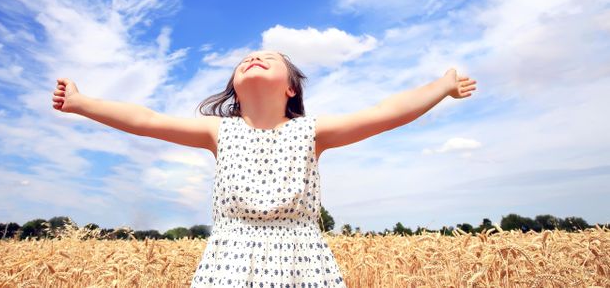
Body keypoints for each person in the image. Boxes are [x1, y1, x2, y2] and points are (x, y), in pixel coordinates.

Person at [52, 49, 477, 287]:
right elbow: (146, 121)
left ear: (291, 87)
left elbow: (386, 112)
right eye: (245, 61)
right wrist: (82, 103)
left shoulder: (313, 131)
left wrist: (441, 86)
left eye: (268, 58)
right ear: (235, 87)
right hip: (228, 262)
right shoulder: (218, 132)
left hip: (303, 262)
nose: (254, 58)